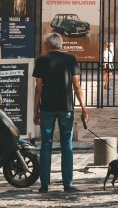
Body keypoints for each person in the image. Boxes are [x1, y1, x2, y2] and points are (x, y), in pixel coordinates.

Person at [33, 32, 87, 194]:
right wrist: (83, 108)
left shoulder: (42, 61)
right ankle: (67, 183)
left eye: (44, 44)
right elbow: (76, 86)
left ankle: (44, 184)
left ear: (49, 45)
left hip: (47, 108)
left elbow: (38, 88)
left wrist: (36, 109)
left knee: (46, 145)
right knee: (67, 146)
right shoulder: (70, 59)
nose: (43, 46)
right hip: (66, 107)